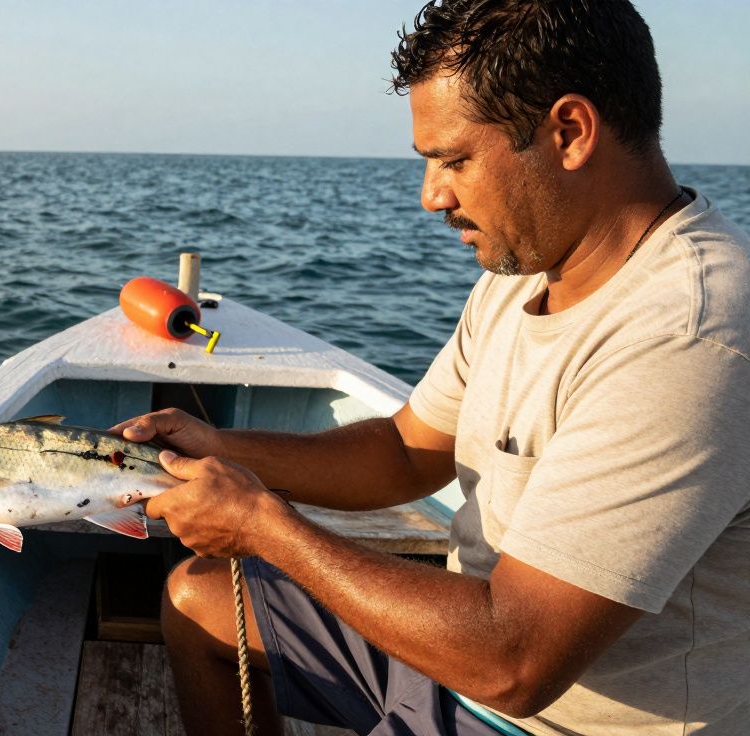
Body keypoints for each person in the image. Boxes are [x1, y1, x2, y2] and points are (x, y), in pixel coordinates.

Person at [112, 1, 750, 734]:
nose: (431, 197)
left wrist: (261, 525)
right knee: (199, 601)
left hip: (529, 713)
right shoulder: (523, 275)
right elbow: (403, 452)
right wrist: (220, 449)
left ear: (569, 132)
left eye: (455, 160)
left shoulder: (688, 336)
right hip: (457, 663)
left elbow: (516, 662)